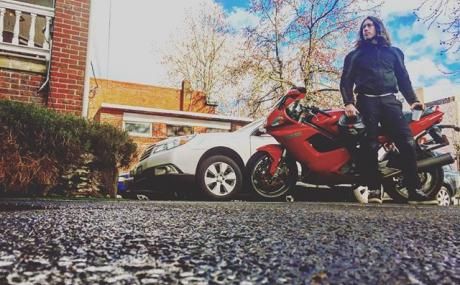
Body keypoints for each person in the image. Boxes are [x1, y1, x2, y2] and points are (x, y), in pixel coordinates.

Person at [339, 16, 436, 204]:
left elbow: (403, 79)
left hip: (390, 101)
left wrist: (413, 100)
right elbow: (346, 81)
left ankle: (414, 189)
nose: (365, 29)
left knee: (407, 142)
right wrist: (349, 102)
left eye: (369, 26)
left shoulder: (394, 53)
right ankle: (374, 190)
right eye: (363, 27)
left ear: (378, 28)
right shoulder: (354, 55)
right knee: (370, 146)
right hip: (366, 103)